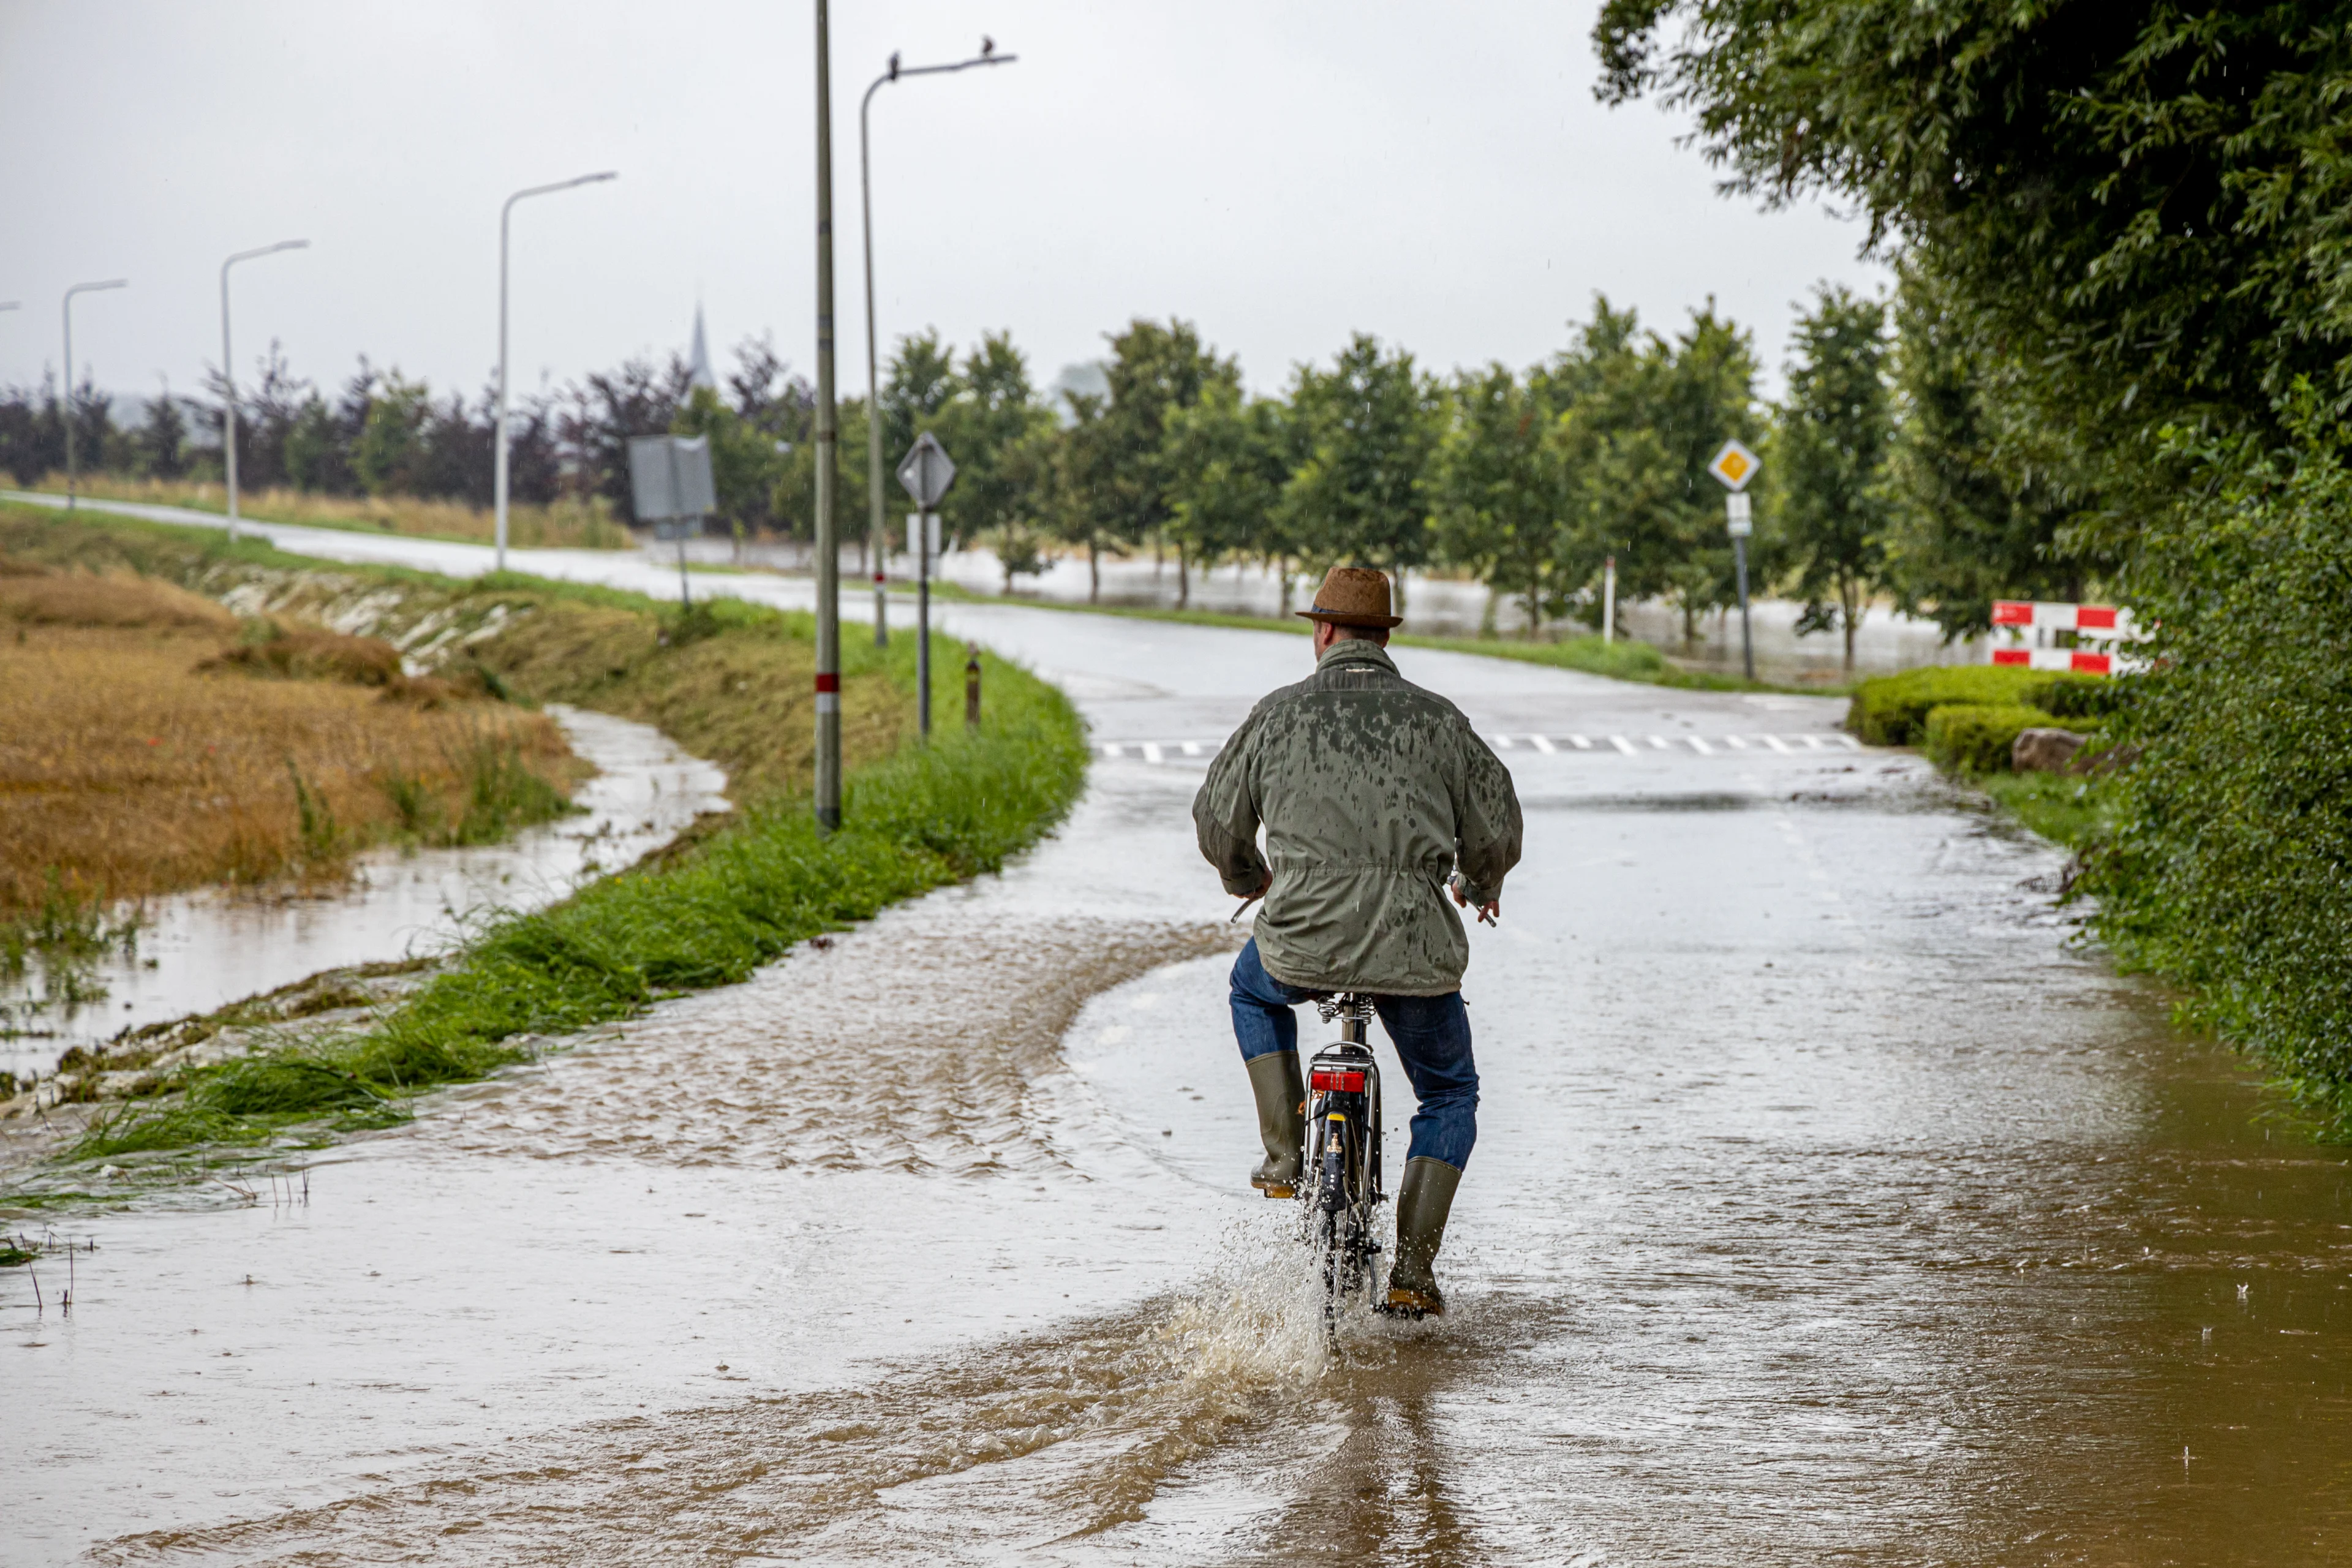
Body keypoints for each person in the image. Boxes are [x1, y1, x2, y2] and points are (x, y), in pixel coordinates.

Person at [1192, 565, 1522, 1317]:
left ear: (1326, 632)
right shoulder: (1439, 721)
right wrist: (1478, 882)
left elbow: (1217, 820)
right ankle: (1411, 1271)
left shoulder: (1277, 716)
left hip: (1299, 939)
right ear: (1384, 636)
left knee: (1251, 989)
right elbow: (1497, 826)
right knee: (1448, 1090)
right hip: (1413, 949)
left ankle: (1283, 1156)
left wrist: (1251, 876)